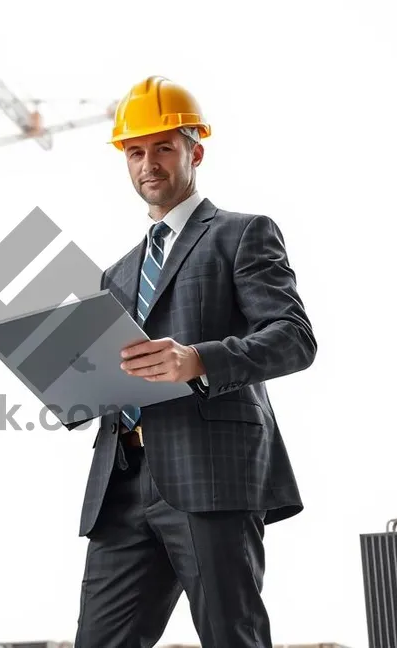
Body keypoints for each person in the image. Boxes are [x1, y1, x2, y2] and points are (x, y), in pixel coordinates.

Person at [70, 76, 317, 647]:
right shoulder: (117, 272)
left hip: (211, 475)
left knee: (232, 637)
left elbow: (293, 338)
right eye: (135, 151)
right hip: (122, 483)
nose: (147, 163)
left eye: (163, 147)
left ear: (194, 151)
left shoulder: (241, 234)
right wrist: (75, 389)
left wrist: (197, 362)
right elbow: (121, 369)